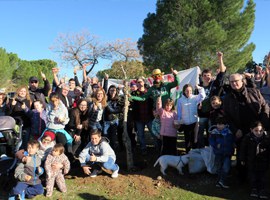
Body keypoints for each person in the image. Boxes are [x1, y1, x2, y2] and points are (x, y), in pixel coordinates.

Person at [223, 73, 269, 182]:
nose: (234, 83)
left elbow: (265, 107)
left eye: (236, 81)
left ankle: (259, 180)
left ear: (242, 81)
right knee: (241, 154)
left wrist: (262, 126)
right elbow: (227, 117)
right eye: (231, 82)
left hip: (257, 128)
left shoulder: (254, 92)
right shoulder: (227, 98)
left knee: (258, 154)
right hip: (240, 130)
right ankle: (242, 178)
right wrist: (235, 130)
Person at [197, 52, 227, 148]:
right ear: (202, 77)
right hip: (201, 114)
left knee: (211, 133)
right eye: (205, 75)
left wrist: (220, 58)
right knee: (200, 134)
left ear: (211, 76)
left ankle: (212, 150)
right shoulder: (198, 88)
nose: (207, 77)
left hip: (212, 114)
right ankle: (201, 150)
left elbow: (222, 72)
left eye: (208, 75)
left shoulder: (215, 85)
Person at [240, 121, 270, 199]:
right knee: (252, 176)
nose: (258, 132)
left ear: (263, 129)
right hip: (251, 162)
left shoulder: (267, 139)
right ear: (251, 130)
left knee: (263, 177)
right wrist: (242, 159)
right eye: (256, 130)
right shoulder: (247, 138)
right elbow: (243, 149)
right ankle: (254, 189)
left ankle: (263, 190)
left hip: (263, 162)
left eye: (260, 130)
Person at [177, 84, 205, 153]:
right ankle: (188, 154)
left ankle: (194, 154)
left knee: (194, 139)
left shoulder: (195, 98)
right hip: (185, 123)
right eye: (187, 91)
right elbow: (179, 112)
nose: (188, 92)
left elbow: (203, 96)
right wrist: (179, 122)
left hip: (194, 122)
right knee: (187, 140)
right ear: (184, 91)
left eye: (190, 90)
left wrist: (199, 88)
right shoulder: (180, 100)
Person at [131, 77, 155, 155]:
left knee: (153, 133)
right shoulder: (134, 93)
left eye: (140, 82)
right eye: (137, 82)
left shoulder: (149, 92)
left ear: (144, 82)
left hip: (149, 117)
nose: (139, 83)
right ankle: (143, 149)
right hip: (139, 118)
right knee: (140, 135)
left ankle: (157, 147)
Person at [209, 117, 234, 189]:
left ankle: (223, 181)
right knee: (218, 167)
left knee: (226, 168)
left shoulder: (229, 132)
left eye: (221, 124)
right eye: (217, 124)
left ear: (225, 125)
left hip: (227, 154)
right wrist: (215, 145)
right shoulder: (214, 132)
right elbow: (211, 140)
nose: (218, 126)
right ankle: (219, 181)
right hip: (218, 153)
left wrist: (232, 151)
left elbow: (232, 142)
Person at [103, 85, 124, 151]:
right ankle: (107, 149)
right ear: (108, 91)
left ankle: (112, 150)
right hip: (106, 120)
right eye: (111, 90)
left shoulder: (118, 99)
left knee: (113, 136)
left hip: (114, 120)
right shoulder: (106, 99)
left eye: (114, 90)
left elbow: (119, 108)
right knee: (106, 135)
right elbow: (110, 110)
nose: (113, 92)